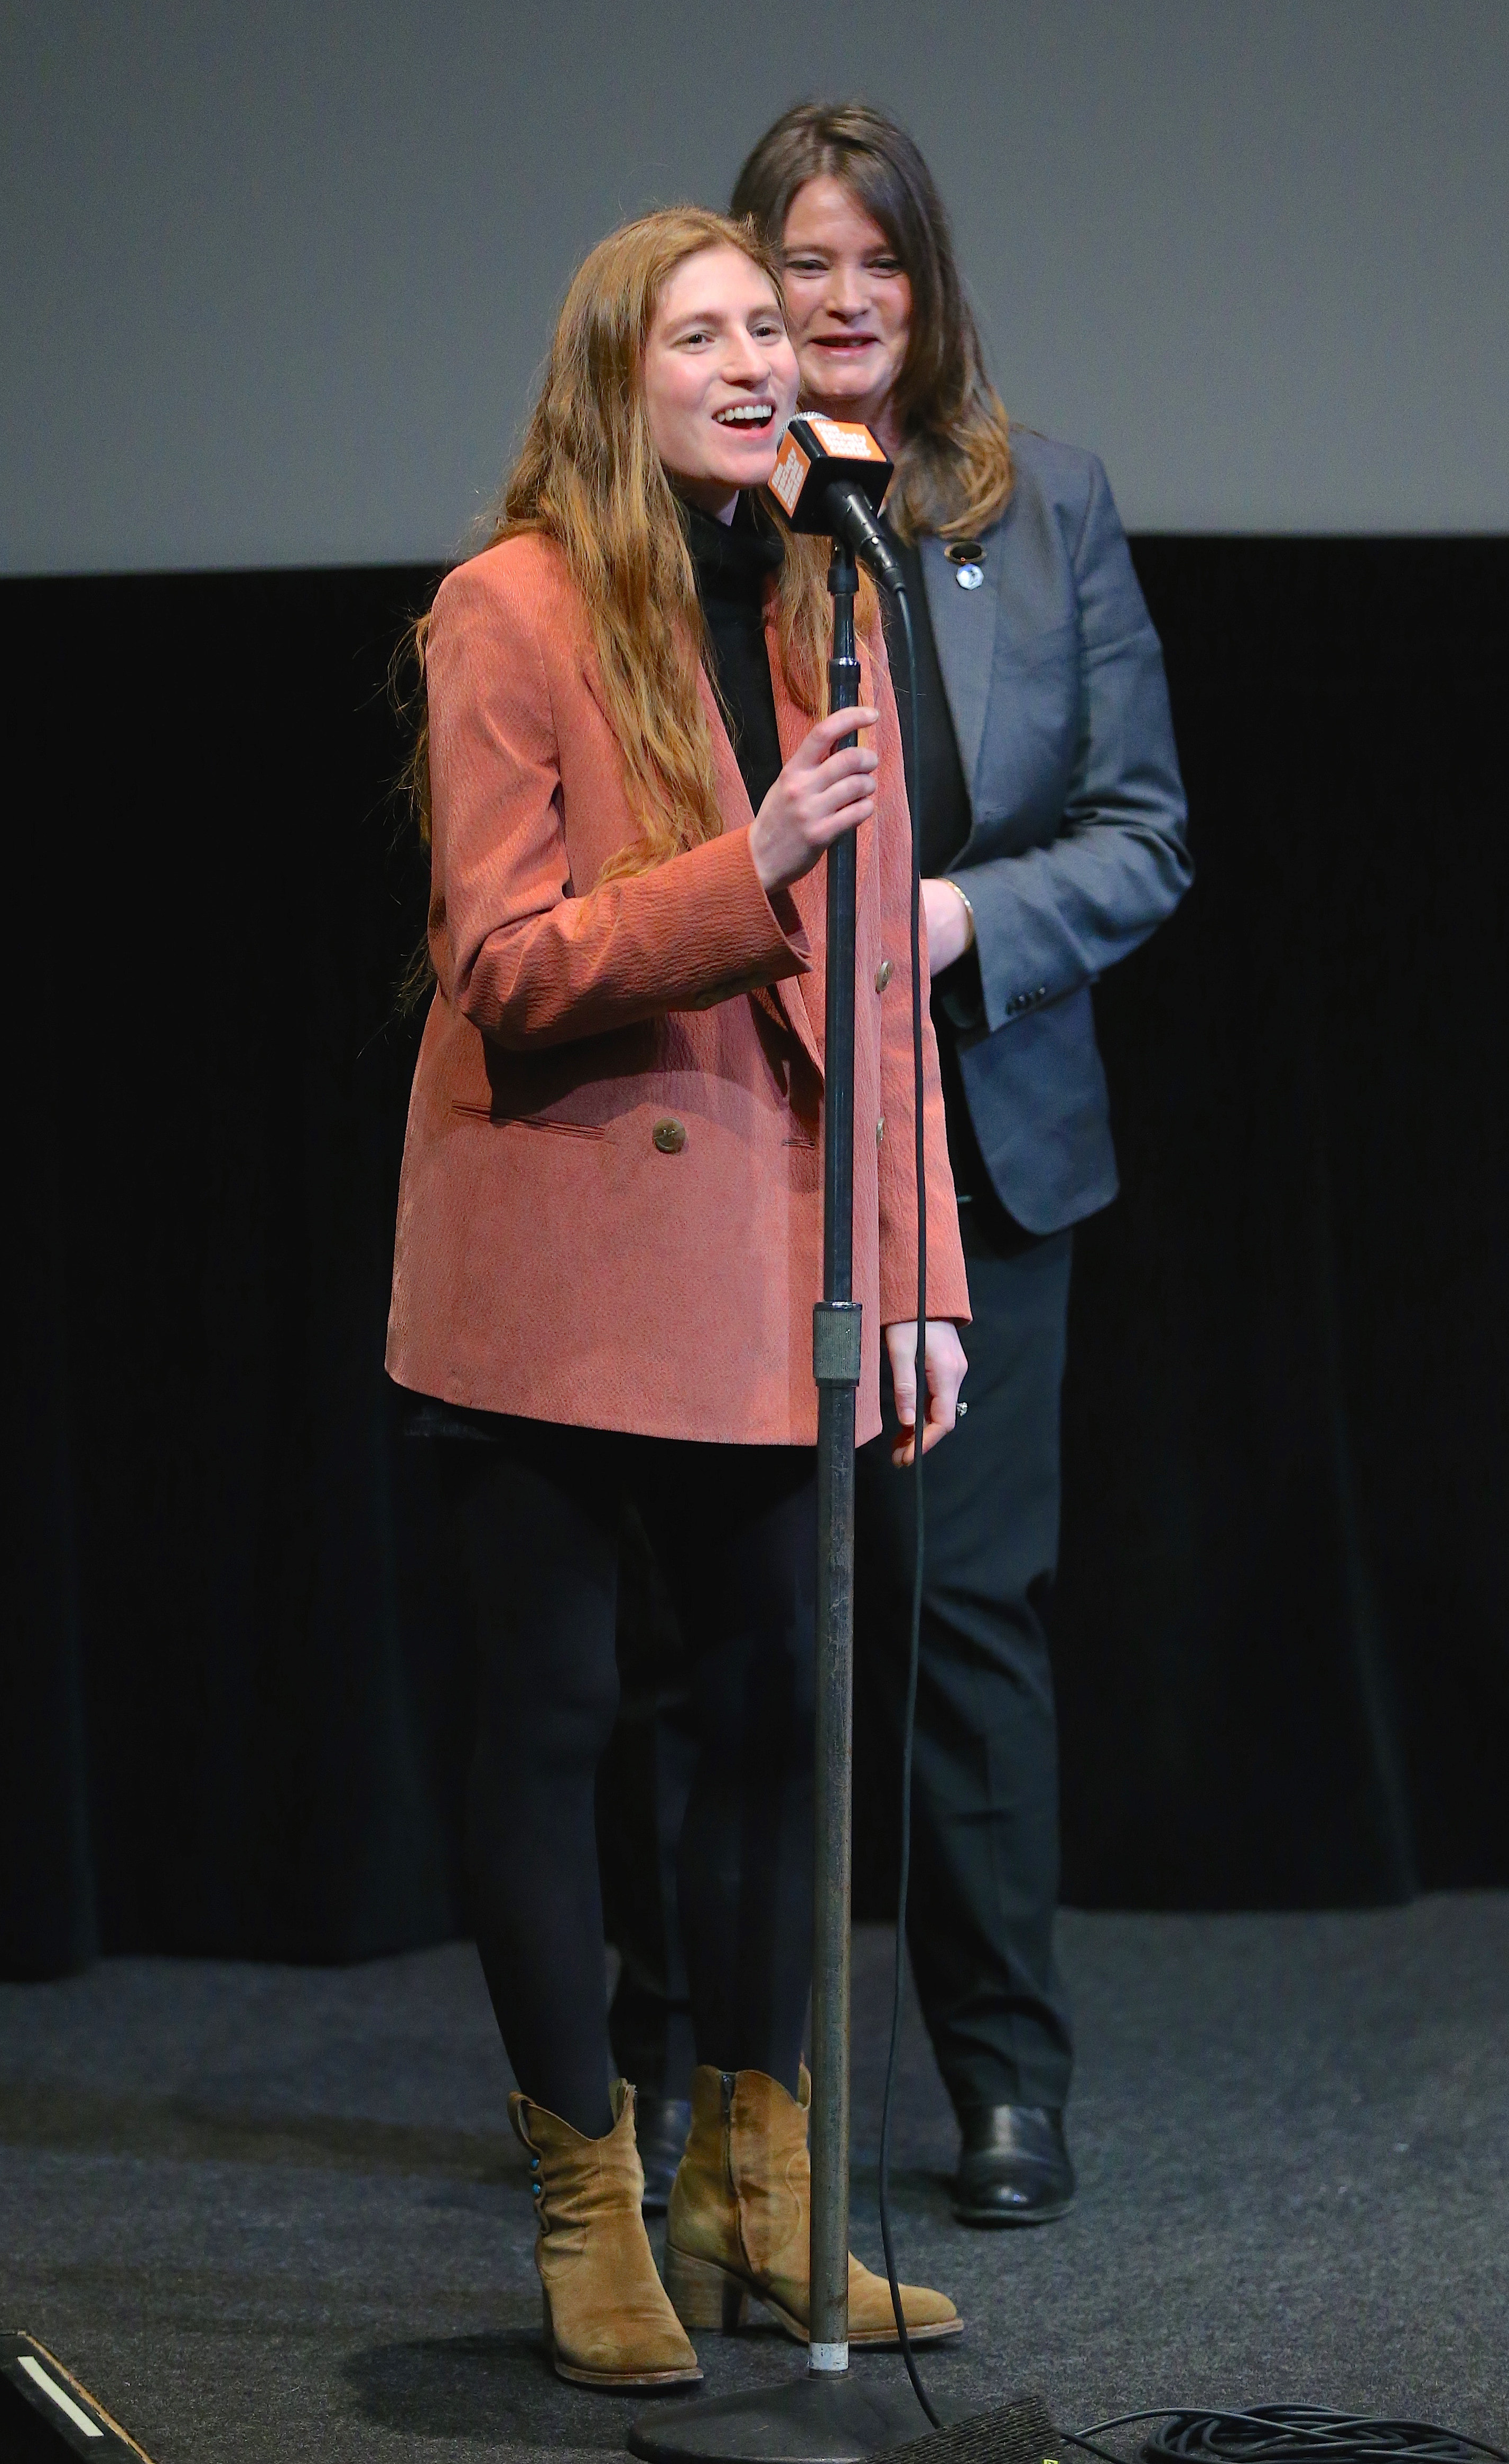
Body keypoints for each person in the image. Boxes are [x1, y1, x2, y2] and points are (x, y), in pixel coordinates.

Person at [387, 205, 970, 2388]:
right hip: (560, 1248)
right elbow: (502, 958)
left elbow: (883, 999)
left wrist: (916, 1273)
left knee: (779, 1720)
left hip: (772, 1256)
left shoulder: (830, 597)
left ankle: (755, 2195)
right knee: (553, 1727)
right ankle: (589, 2203)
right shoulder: (510, 605)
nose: (756, 361)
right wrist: (760, 865)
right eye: (702, 334)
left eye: (765, 329)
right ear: (614, 380)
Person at [723, 105, 1193, 2228]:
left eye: (878, 262)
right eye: (803, 263)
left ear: (930, 287)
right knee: (731, 1631)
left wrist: (955, 920)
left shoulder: (1043, 502)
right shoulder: (697, 513)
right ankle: (714, 2086)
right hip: (741, 1131)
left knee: (968, 1617)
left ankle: (1004, 2077)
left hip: (987, 1142)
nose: (842, 302)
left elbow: (1142, 831)